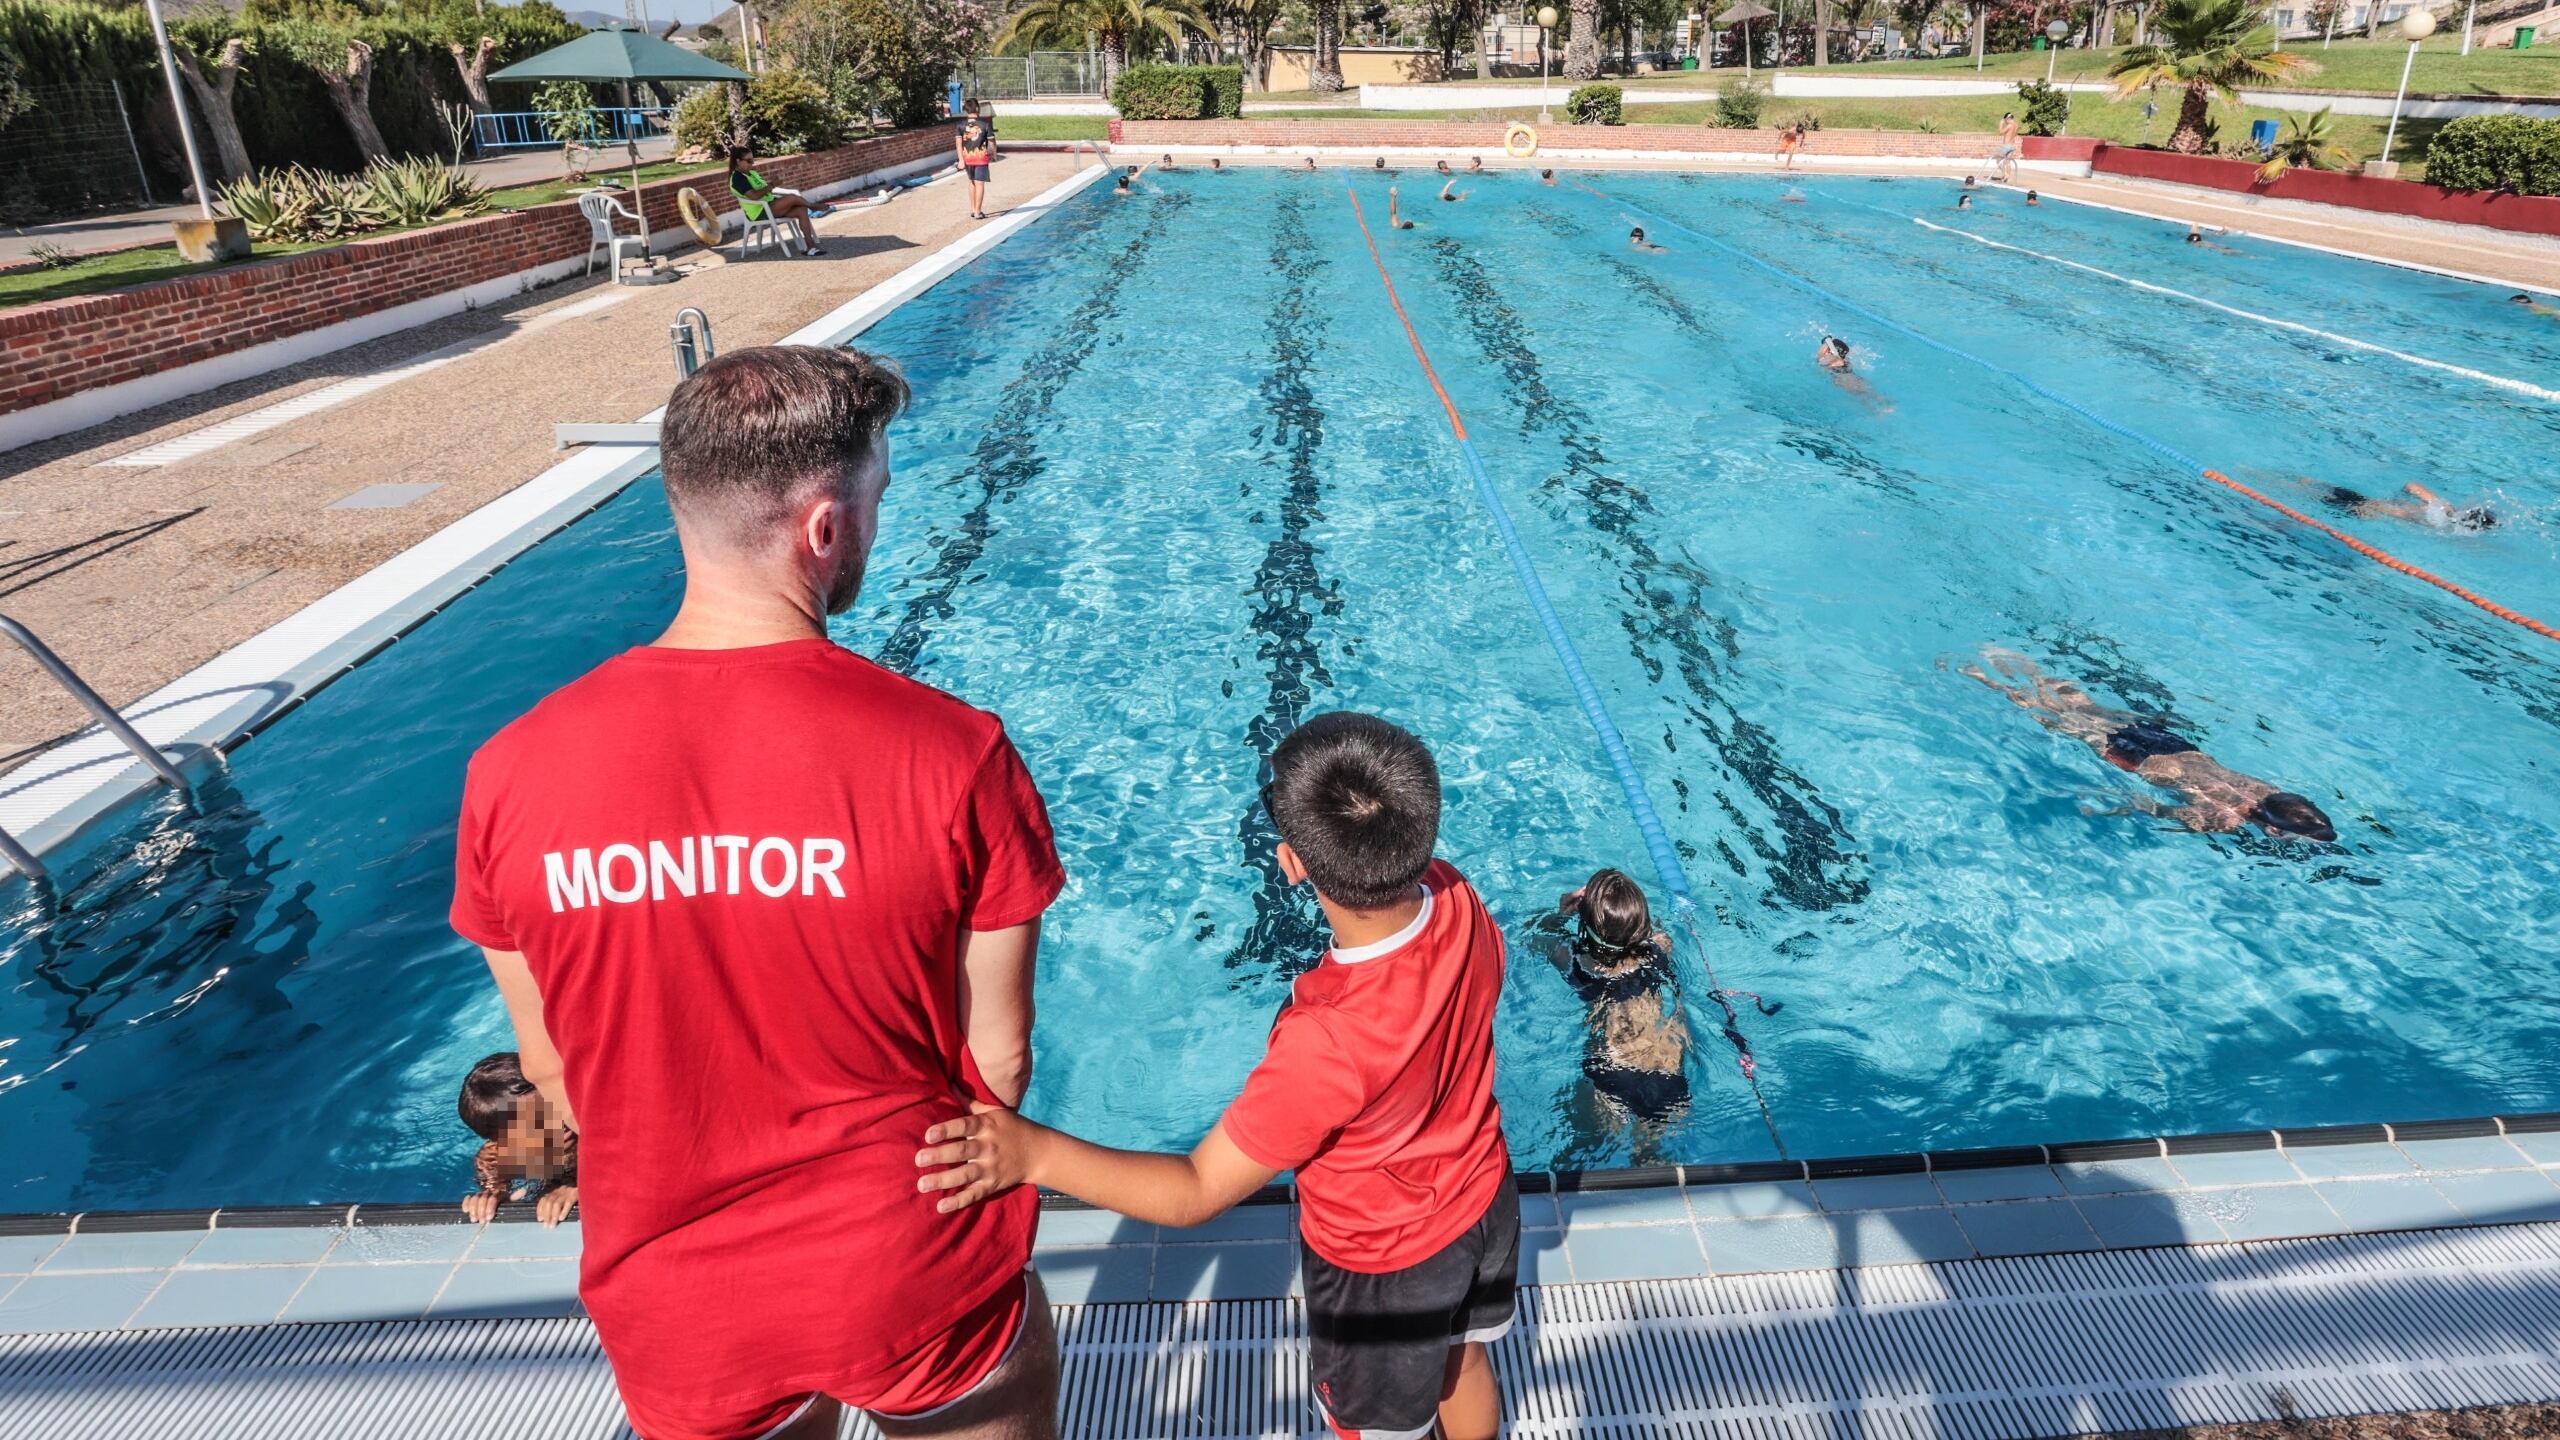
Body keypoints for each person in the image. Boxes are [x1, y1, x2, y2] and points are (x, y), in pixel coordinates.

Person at [453, 347, 1068, 1440]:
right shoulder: (954, 753)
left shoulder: (510, 769)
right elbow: (1001, 1060)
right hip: (906, 1256)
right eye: (877, 498)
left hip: (677, 1287)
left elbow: (553, 1071)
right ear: (823, 525)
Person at [915, 713, 1517, 1440]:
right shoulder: (1458, 898)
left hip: (1383, 1270)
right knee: (1465, 1359)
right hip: (1484, 1202)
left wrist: (1033, 1152)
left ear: (1292, 863)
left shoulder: (1326, 1039)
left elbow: (1198, 1190)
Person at [1961, 647, 2336, 841]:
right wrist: (2112, 809)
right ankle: (1983, 676)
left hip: (2177, 746)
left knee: (2083, 707)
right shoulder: (2224, 821)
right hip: (2138, 763)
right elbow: (2152, 809)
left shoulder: (2268, 791)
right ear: (2273, 830)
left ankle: (2009, 658)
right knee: (2055, 719)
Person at [1530, 871, 1690, 1162]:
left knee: (1582, 1155)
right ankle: (1647, 1156)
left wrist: (1560, 912)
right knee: (1648, 1155)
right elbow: (1654, 931)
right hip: (1667, 1069)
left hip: (1610, 1068)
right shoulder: (1660, 947)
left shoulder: (1571, 960)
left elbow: (1532, 935)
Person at [458, 1052, 579, 1227]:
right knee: (545, 1200)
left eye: (551, 1106)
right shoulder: (497, 1155)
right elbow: (491, 1172)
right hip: (549, 1170)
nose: (557, 1124)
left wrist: (581, 1187)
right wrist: (494, 1193)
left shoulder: (582, 1127)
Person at [728, 146, 821, 256]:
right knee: (792, 197)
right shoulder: (737, 178)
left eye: (753, 160)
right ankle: (812, 205)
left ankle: (810, 247)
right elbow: (754, 196)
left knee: (801, 209)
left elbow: (765, 189)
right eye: (749, 161)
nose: (752, 163)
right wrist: (772, 185)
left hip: (770, 205)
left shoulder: (752, 173)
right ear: (738, 161)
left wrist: (772, 184)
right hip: (759, 212)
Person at [2316, 480, 2498, 532]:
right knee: (2309, 491)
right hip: (2363, 508)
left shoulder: (2442, 510)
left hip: (2364, 505)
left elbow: (2411, 486)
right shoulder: (2440, 522)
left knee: (2307, 486)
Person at [954, 104, 995, 222]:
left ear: (966, 110)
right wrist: (992, 155)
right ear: (977, 109)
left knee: (972, 182)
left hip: (967, 158)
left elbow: (958, 144)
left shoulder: (960, 125)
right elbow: (991, 142)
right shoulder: (985, 124)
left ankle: (973, 209)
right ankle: (978, 212)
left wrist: (961, 160)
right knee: (980, 183)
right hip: (981, 158)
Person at [1994, 111, 2021, 184]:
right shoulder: (2016, 125)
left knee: (1998, 160)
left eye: (2005, 120)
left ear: (2007, 118)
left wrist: (2001, 124)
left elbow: (2000, 132)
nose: (2005, 122)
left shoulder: (2009, 125)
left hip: (2007, 145)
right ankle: (2007, 178)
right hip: (2012, 145)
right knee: (2007, 162)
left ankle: (2005, 174)